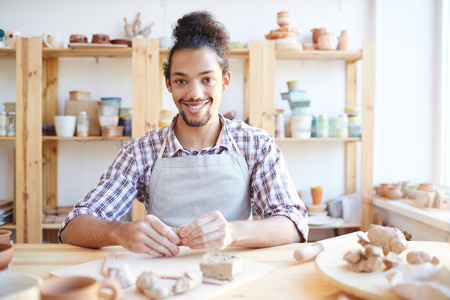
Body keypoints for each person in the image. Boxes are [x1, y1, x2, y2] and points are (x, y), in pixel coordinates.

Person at [60, 11, 308, 257]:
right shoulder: (140, 151)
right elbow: (73, 226)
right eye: (181, 81)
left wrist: (233, 233)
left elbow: (294, 223)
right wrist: (120, 232)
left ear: (225, 81)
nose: (194, 93)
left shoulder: (256, 145)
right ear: (168, 83)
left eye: (207, 79)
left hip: (233, 278)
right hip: (163, 282)